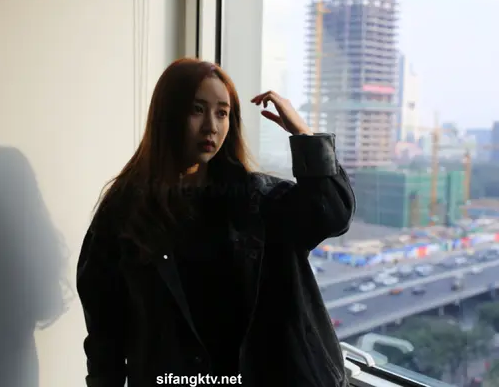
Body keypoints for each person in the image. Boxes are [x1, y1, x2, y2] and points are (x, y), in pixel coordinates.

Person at [76, 58, 355, 387]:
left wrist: (305, 135)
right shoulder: (125, 211)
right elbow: (104, 329)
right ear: (167, 115)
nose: (211, 126)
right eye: (197, 110)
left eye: (222, 113)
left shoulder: (256, 199)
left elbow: (332, 214)